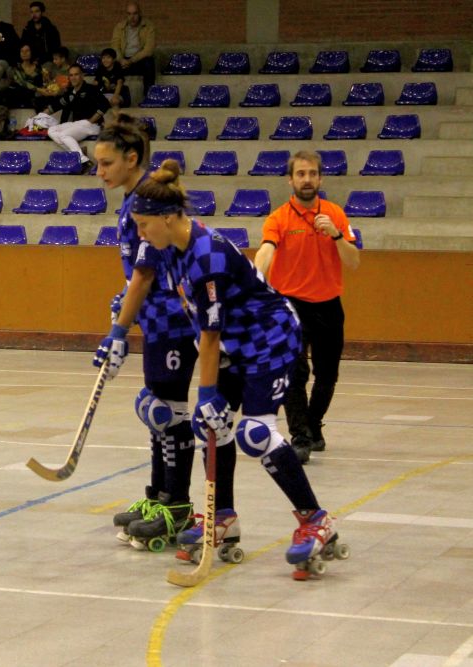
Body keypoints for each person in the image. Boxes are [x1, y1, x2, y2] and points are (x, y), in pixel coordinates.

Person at [130, 159, 345, 576]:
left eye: (144, 225)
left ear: (170, 218)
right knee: (211, 425)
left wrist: (208, 393)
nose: (140, 233)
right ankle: (222, 517)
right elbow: (199, 321)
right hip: (233, 340)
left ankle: (316, 520)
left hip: (271, 338)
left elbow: (209, 335)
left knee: (255, 433)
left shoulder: (205, 255)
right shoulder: (171, 250)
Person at [91, 115, 198, 550]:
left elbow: (145, 276)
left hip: (174, 322)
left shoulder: (150, 200)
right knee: (156, 411)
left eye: (106, 163)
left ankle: (178, 505)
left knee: (169, 413)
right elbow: (136, 277)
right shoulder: (130, 199)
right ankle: (159, 497)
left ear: (131, 158)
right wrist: (126, 304)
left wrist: (118, 331)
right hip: (154, 321)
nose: (99, 172)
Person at [254, 151, 360, 461]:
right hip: (290, 307)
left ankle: (313, 425)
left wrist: (337, 235)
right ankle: (300, 436)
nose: (307, 179)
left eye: (312, 173)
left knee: (328, 375)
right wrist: (257, 278)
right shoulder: (279, 218)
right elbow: (266, 250)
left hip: (328, 305)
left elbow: (353, 262)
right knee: (294, 372)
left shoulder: (335, 214)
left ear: (321, 178)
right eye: (301, 174)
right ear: (291, 180)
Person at [44, 63, 110, 171]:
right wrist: (39, 117)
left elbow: (105, 104)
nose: (73, 77)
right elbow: (56, 105)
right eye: (71, 75)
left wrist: (91, 120)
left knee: (64, 135)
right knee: (51, 130)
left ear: (82, 76)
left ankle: (80, 158)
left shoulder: (91, 89)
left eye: (76, 74)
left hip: (92, 125)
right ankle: (81, 156)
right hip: (77, 124)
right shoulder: (70, 92)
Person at [110, 2, 155, 96]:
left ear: (140, 13)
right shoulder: (119, 27)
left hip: (138, 60)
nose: (132, 17)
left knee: (149, 63)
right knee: (108, 63)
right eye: (129, 14)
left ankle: (148, 95)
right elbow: (114, 46)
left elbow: (148, 50)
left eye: (135, 13)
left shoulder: (149, 27)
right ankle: (113, 95)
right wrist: (121, 59)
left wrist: (131, 60)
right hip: (123, 60)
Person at [0, 43, 43, 109]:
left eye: (27, 51)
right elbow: (22, 82)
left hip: (34, 94)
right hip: (20, 93)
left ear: (32, 52)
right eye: (22, 51)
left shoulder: (38, 68)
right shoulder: (16, 67)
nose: (24, 53)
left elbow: (42, 82)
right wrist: (39, 89)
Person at [20, 1, 60, 65]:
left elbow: (55, 49)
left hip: (47, 60)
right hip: (30, 60)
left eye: (37, 11)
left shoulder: (51, 29)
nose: (34, 14)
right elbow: (23, 46)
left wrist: (40, 61)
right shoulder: (27, 30)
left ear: (42, 12)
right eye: (31, 12)